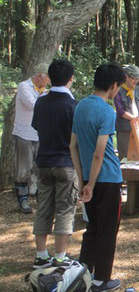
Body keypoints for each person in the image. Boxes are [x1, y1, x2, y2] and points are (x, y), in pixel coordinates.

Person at [70, 63, 126, 292]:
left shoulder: (81, 105)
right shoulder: (106, 111)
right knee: (108, 230)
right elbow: (99, 153)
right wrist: (91, 184)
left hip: (87, 179)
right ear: (113, 85)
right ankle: (102, 280)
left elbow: (72, 145)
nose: (117, 92)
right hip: (108, 180)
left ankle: (83, 275)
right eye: (118, 87)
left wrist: (83, 180)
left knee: (92, 228)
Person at [31, 59, 78, 269]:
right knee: (65, 209)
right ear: (71, 79)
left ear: (50, 78)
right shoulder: (72, 105)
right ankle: (60, 257)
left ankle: (41, 255)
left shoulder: (41, 101)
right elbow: (75, 137)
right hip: (65, 162)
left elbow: (36, 127)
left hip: (43, 160)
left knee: (43, 208)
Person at [13, 62, 50, 213]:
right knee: (24, 168)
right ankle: (23, 200)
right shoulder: (24, 87)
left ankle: (42, 199)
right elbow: (34, 105)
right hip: (24, 133)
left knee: (41, 167)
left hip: (39, 134)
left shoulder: (45, 91)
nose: (49, 81)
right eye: (48, 77)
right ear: (40, 76)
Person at [113, 65, 139, 161]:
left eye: (138, 79)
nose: (136, 81)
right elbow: (121, 111)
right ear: (126, 76)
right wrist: (135, 119)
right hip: (125, 129)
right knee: (125, 158)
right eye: (133, 78)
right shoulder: (118, 91)